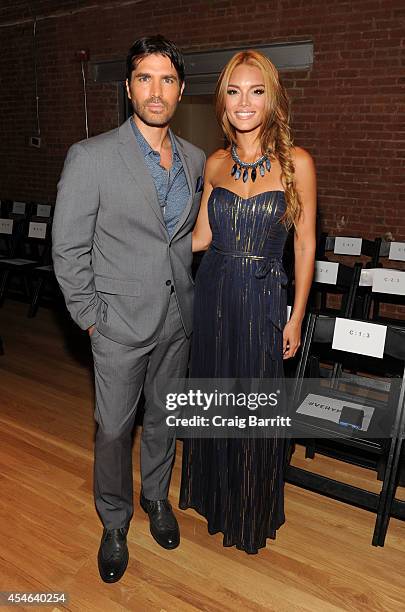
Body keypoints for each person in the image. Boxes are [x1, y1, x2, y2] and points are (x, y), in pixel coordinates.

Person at [52, 35, 205, 582]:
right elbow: (67, 249)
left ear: (181, 89)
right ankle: (114, 522)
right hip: (117, 323)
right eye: (145, 78)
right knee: (114, 430)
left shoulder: (194, 159)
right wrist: (92, 316)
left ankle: (156, 499)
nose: (156, 90)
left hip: (177, 318)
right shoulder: (91, 156)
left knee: (165, 418)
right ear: (128, 88)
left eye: (167, 79)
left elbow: (182, 240)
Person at [179, 50, 316, 554]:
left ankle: (250, 510)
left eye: (256, 90)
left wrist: (296, 315)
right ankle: (219, 500)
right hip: (214, 293)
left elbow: (305, 244)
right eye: (234, 91)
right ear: (223, 101)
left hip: (263, 297)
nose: (244, 101)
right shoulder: (214, 163)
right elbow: (199, 238)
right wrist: (143, 239)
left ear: (272, 99)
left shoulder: (297, 163)